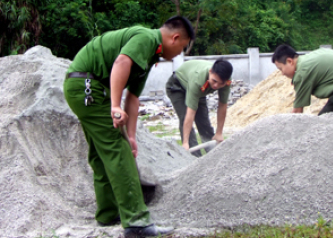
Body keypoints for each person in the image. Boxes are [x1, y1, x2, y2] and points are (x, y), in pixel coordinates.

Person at [63, 16, 195, 237]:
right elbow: (121, 62)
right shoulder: (146, 38)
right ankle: (137, 222)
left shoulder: (149, 56)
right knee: (117, 149)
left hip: (85, 87)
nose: (179, 54)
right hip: (87, 85)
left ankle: (108, 213)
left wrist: (132, 136)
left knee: (102, 151)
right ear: (175, 37)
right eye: (182, 48)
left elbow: (133, 98)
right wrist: (115, 106)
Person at [166, 59, 233, 157]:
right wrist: (185, 142)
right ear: (210, 71)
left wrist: (219, 133)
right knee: (185, 117)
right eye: (214, 81)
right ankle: (194, 157)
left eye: (220, 84)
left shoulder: (226, 81)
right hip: (177, 87)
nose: (216, 86)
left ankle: (214, 156)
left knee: (204, 122)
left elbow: (222, 105)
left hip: (200, 91)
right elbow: (190, 113)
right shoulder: (198, 80)